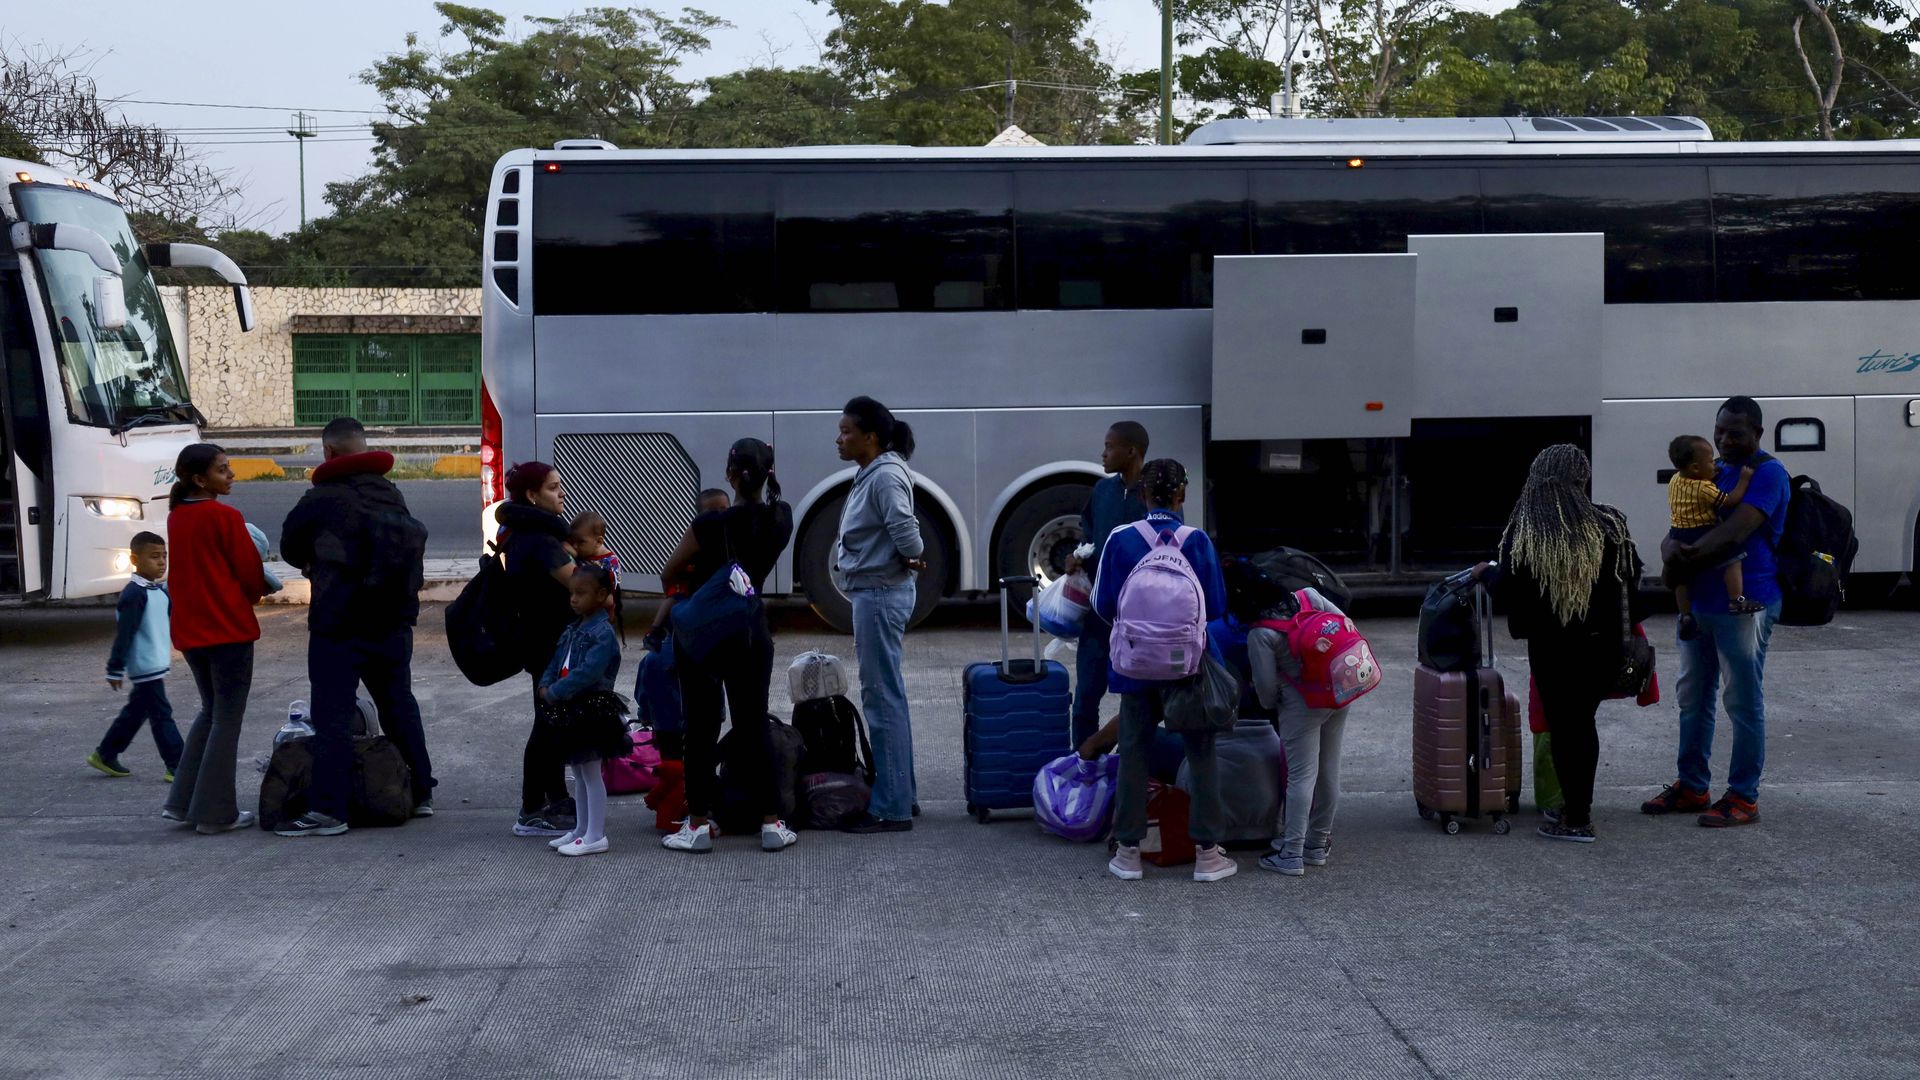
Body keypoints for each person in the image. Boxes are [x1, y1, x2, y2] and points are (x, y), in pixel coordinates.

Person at [1474, 444, 1646, 844]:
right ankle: (1576, 809)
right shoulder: (1610, 525)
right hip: (1603, 647)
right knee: (1582, 726)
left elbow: (1510, 589)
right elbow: (1632, 578)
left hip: (1555, 651)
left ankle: (1576, 818)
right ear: (1582, 480)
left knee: (1567, 729)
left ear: (1537, 476)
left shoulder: (1531, 531)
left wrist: (1487, 575)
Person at [275, 417, 435, 837]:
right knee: (398, 703)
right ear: (362, 450)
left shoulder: (321, 498)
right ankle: (420, 792)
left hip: (339, 622)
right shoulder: (391, 493)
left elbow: (289, 546)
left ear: (328, 452)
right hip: (393, 620)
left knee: (333, 713)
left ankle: (329, 809)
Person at [1645, 396, 1790, 828]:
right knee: (1693, 699)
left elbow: (1733, 534)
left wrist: (1678, 563)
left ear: (1758, 434)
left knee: (1742, 702)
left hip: (1745, 605)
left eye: (1736, 433)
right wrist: (1670, 552)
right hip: (1700, 605)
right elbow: (1676, 528)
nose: (1725, 440)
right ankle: (1693, 786)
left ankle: (1743, 797)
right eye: (1720, 431)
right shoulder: (1711, 471)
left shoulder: (1767, 474)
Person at [1094, 459, 1238, 883]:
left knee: (1134, 751)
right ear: (1183, 495)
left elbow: (1103, 604)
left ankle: (1128, 853)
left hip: (1135, 669)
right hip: (1188, 668)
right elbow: (1215, 606)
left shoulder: (1121, 539)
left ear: (1142, 494)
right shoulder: (1197, 541)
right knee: (1201, 753)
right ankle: (1208, 855)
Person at [658, 438, 795, 853]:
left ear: (731, 475)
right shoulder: (781, 518)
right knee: (752, 723)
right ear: (769, 473)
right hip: (752, 631)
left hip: (703, 636)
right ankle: (771, 822)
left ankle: (698, 825)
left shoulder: (709, 525)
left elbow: (670, 571)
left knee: (699, 729)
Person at [161, 443, 268, 835]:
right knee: (226, 717)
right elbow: (250, 575)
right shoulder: (225, 517)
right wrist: (257, 592)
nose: (231, 475)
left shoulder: (177, 517)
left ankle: (183, 802)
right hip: (228, 629)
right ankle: (214, 812)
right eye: (223, 470)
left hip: (191, 631)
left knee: (210, 711)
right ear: (199, 479)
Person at [834, 397, 926, 835]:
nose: (840, 439)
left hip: (879, 594)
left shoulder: (885, 475)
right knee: (889, 694)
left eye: (847, 431)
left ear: (870, 437)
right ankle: (901, 793)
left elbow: (908, 534)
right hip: (876, 591)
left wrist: (910, 554)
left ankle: (891, 809)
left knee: (880, 697)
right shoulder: (873, 471)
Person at [496, 461, 579, 837]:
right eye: (552, 488)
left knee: (554, 722)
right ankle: (531, 810)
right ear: (532, 495)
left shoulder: (529, 532)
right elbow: (585, 586)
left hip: (547, 642)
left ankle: (556, 797)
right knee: (547, 724)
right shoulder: (540, 541)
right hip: (547, 644)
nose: (561, 493)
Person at [1248, 587, 1351, 875]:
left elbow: (1266, 692)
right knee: (1330, 771)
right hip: (1339, 692)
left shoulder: (1260, 633)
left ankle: (1291, 852)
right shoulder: (1309, 597)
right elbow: (1345, 625)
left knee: (1302, 777)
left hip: (1301, 704)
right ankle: (1317, 844)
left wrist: (1278, 700)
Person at [1067, 422, 1150, 747]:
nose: (1103, 454)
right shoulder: (1103, 491)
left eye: (1110, 446)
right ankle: (1083, 772)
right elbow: (1089, 537)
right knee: (1085, 696)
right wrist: (1076, 557)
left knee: (1137, 700)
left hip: (1138, 620)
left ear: (1132, 451)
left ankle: (1131, 770)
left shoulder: (1153, 497)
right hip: (1098, 616)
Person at [538, 563, 629, 857]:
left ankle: (595, 835)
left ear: (602, 594)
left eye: (581, 593)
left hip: (591, 710)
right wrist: (545, 683)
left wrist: (555, 691)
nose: (574, 599)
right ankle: (581, 830)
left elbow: (589, 672)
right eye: (572, 593)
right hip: (573, 708)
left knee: (590, 773)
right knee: (578, 771)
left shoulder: (602, 634)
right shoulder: (573, 628)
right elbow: (557, 659)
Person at [88, 532, 181, 782]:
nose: (161, 562)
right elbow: (124, 635)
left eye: (164, 556)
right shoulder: (134, 594)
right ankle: (178, 765)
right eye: (154, 557)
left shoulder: (160, 592)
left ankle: (106, 754)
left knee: (136, 712)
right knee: (162, 715)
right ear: (134, 559)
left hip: (156, 663)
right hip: (144, 665)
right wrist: (114, 668)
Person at [1665, 434, 1763, 641]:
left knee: (1681, 576)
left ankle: (1685, 614)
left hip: (1677, 532)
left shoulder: (1675, 479)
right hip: (1700, 530)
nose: (1714, 464)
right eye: (1710, 461)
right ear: (1694, 469)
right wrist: (1744, 480)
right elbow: (1730, 500)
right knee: (1733, 560)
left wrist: (1709, 471)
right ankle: (1736, 599)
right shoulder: (1704, 487)